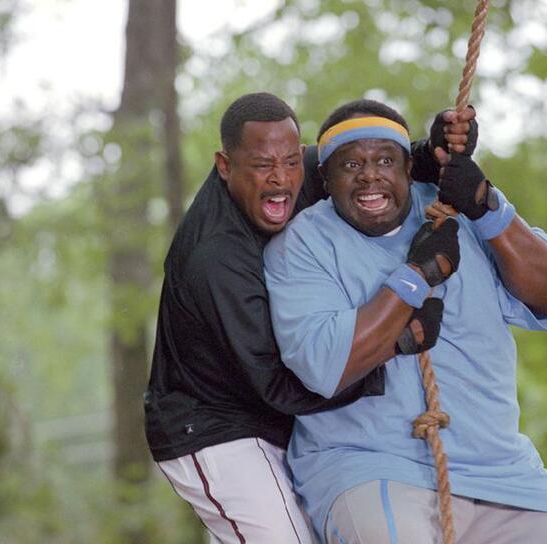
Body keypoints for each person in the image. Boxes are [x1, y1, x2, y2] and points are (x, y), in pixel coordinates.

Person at [143, 92, 475, 543]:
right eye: (262, 166)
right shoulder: (215, 260)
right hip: (213, 428)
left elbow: (360, 164)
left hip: (276, 424)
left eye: (290, 161)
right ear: (225, 166)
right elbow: (278, 384)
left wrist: (431, 149)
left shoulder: (301, 174)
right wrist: (393, 342)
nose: (280, 180)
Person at [264, 99, 547, 543]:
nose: (370, 175)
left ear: (408, 168)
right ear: (324, 179)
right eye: (351, 164)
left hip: (501, 470)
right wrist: (416, 277)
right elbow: (327, 367)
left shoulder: (455, 207)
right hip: (370, 464)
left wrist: (486, 205)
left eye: (384, 160)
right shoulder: (302, 243)